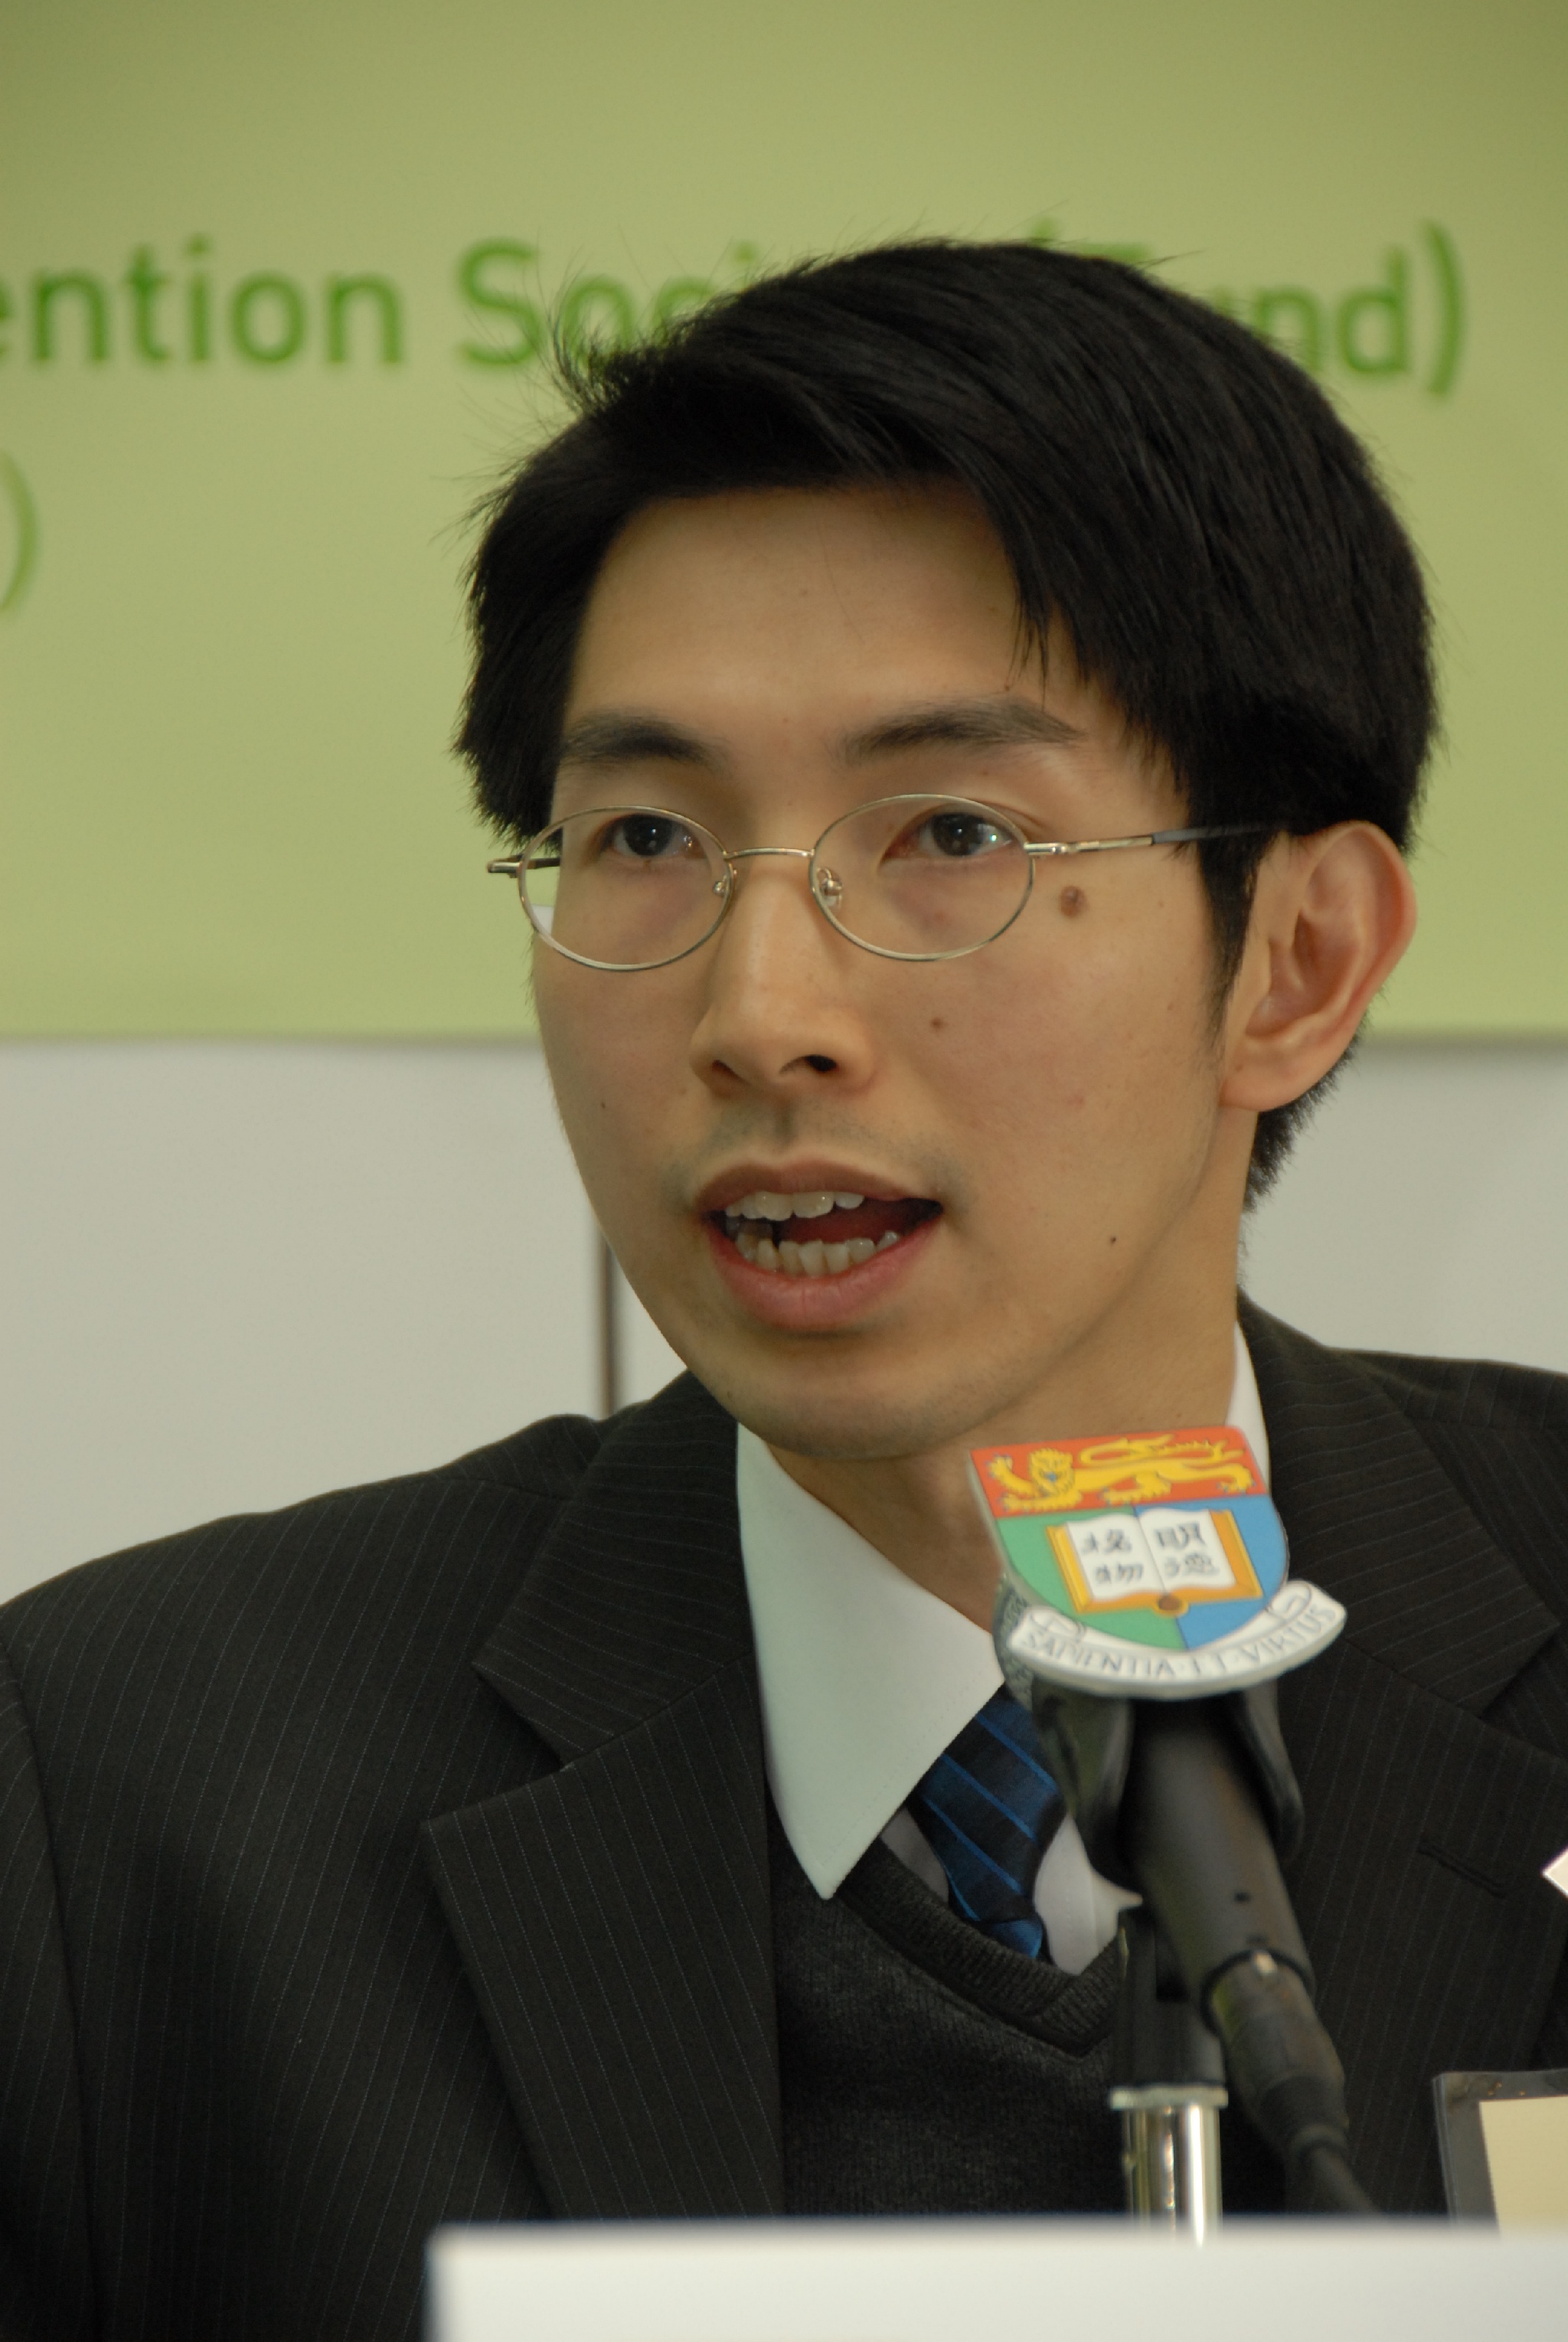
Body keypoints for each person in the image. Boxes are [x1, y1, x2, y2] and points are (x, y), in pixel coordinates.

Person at [5, 240, 1568, 2341]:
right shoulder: (129, 1800)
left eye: (951, 833)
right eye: (647, 837)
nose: (760, 1015)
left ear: (1295, 961)